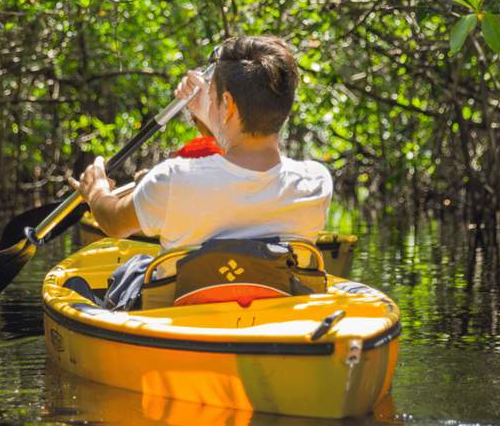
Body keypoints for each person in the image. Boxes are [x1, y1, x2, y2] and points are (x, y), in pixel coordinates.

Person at [67, 35, 332, 309]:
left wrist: (96, 190)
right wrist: (211, 112)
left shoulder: (174, 179)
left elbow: (113, 222)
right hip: (272, 310)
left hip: (179, 315)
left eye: (216, 98)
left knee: (118, 275)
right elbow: (238, 169)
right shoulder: (316, 180)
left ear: (227, 104)